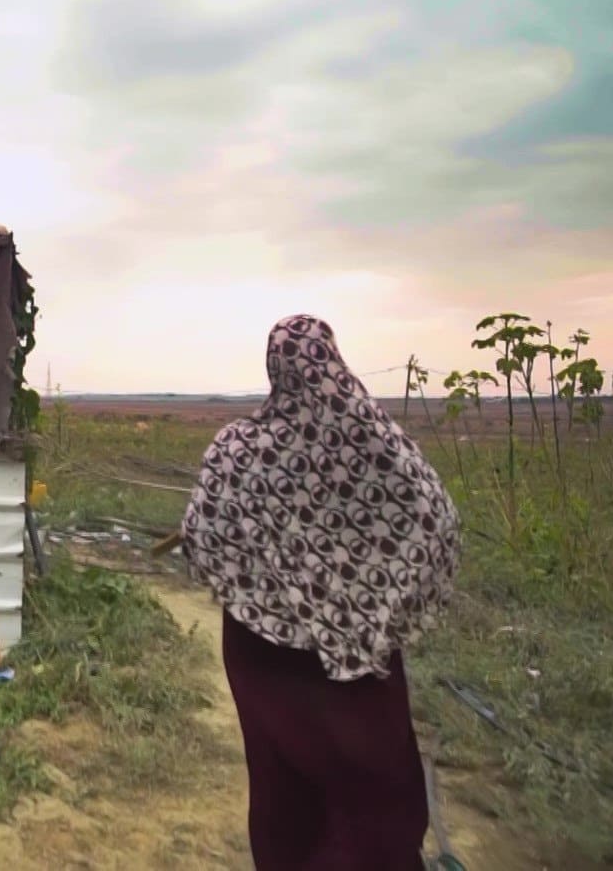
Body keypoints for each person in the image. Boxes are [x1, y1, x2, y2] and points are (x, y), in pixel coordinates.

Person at [180, 315, 460, 870]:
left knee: (280, 778)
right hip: (358, 659)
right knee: (373, 784)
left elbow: (198, 534)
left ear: (274, 367)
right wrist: (381, 601)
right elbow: (437, 516)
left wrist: (259, 589)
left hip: (265, 657)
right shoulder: (377, 442)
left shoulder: (237, 448)